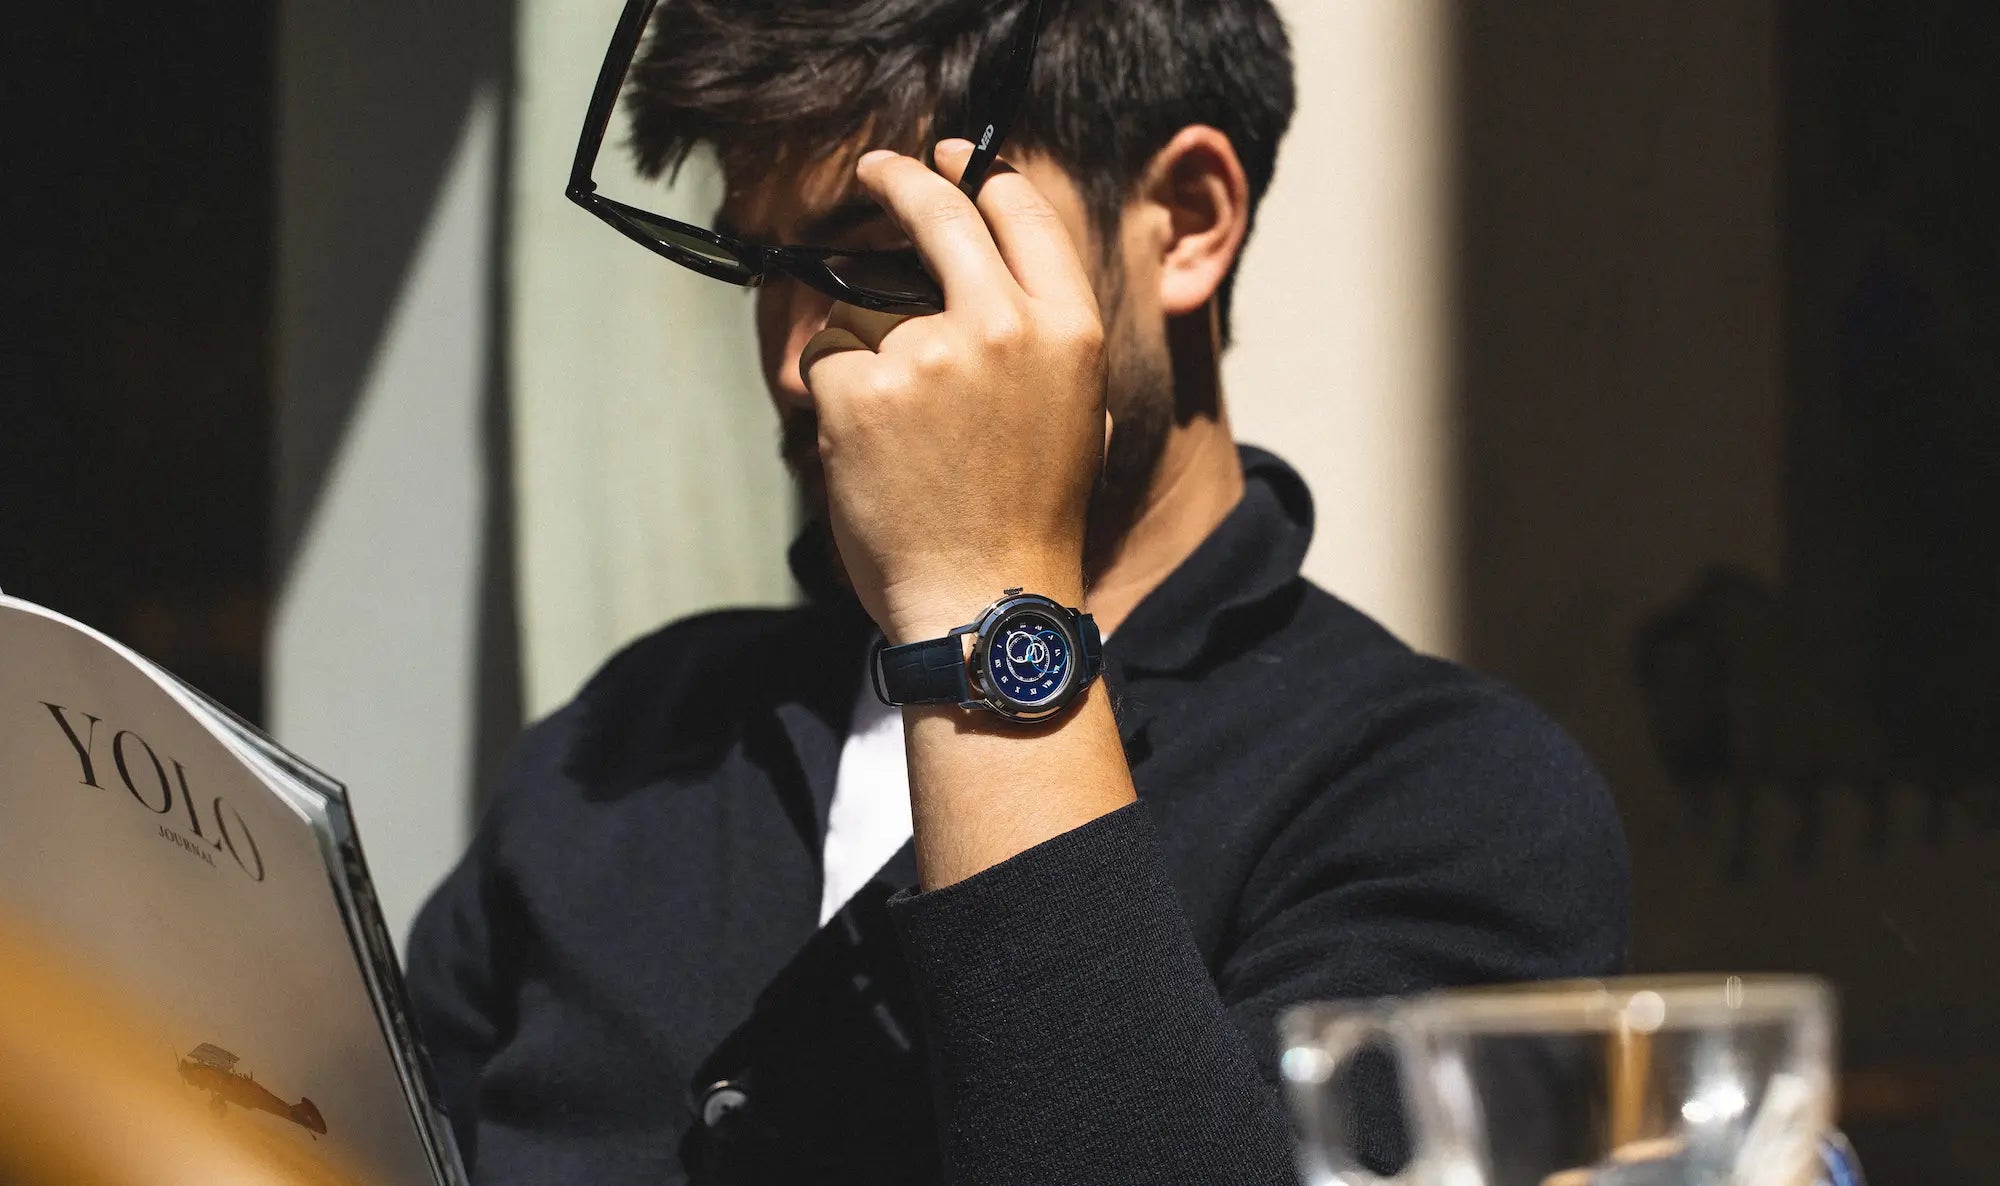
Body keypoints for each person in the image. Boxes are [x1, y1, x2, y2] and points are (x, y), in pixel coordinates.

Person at [405, 1, 1629, 1183]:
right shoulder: (637, 738)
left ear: (1186, 221)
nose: (794, 360)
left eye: (884, 258)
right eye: (761, 264)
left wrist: (980, 607)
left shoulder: (1444, 801)